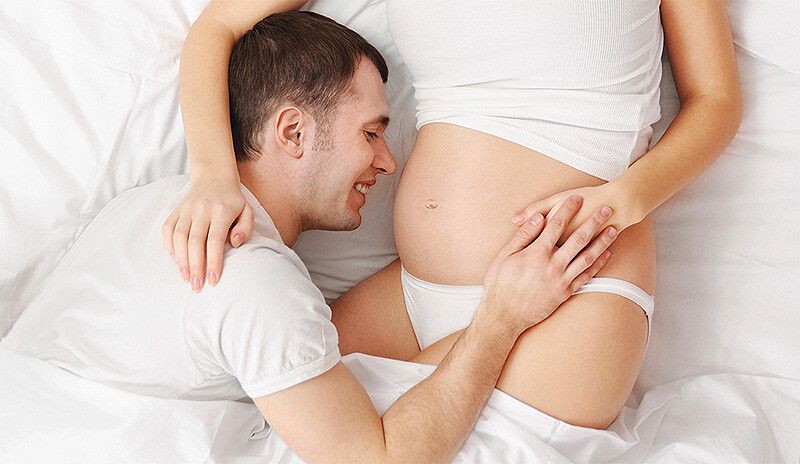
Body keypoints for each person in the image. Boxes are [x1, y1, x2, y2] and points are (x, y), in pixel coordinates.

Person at [1, 11, 619, 463]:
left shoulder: (141, 207)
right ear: (293, 132)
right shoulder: (252, 279)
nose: (388, 162)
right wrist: (501, 319)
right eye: (371, 132)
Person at [165, 0, 742, 428]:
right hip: (409, 297)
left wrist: (625, 199)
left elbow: (715, 99)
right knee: (235, 402)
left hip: (571, 291)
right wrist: (213, 174)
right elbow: (218, 28)